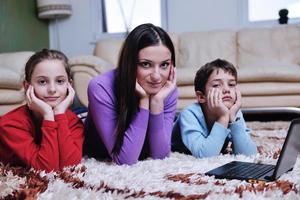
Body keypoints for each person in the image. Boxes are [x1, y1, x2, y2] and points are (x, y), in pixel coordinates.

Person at [84, 23, 177, 165]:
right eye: (146, 64)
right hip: (98, 148)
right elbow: (124, 160)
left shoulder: (167, 89)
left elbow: (161, 156)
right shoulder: (100, 87)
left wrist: (157, 102)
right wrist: (144, 101)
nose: (157, 76)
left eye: (164, 65)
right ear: (130, 63)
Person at [0, 49, 84, 172]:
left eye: (60, 81)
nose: (52, 89)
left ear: (69, 85)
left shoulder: (74, 122)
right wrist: (48, 115)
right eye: (42, 82)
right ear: (27, 87)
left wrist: (59, 114)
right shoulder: (10, 124)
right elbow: (46, 169)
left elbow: (69, 167)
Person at [172, 59, 256, 158]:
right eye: (216, 85)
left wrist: (233, 118)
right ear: (201, 96)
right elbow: (205, 155)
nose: (227, 90)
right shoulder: (189, 114)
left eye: (231, 85)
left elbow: (249, 155)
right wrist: (223, 118)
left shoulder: (234, 111)